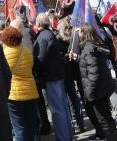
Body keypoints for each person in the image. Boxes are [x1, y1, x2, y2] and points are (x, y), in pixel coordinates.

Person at [33, 13, 74, 141]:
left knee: (57, 111)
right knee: (63, 108)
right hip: (57, 76)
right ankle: (68, 135)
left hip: (52, 78)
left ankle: (63, 138)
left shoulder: (42, 37)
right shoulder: (49, 34)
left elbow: (40, 59)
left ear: (38, 24)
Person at [78, 23, 117, 141]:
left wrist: (89, 93)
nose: (78, 34)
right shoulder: (94, 45)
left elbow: (93, 73)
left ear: (84, 33)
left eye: (80, 31)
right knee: (107, 118)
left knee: (104, 120)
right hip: (102, 87)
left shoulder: (89, 49)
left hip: (98, 90)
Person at [1, 25, 41, 141]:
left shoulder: (4, 53)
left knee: (19, 128)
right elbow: (31, 66)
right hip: (31, 91)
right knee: (32, 126)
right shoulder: (27, 51)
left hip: (14, 94)